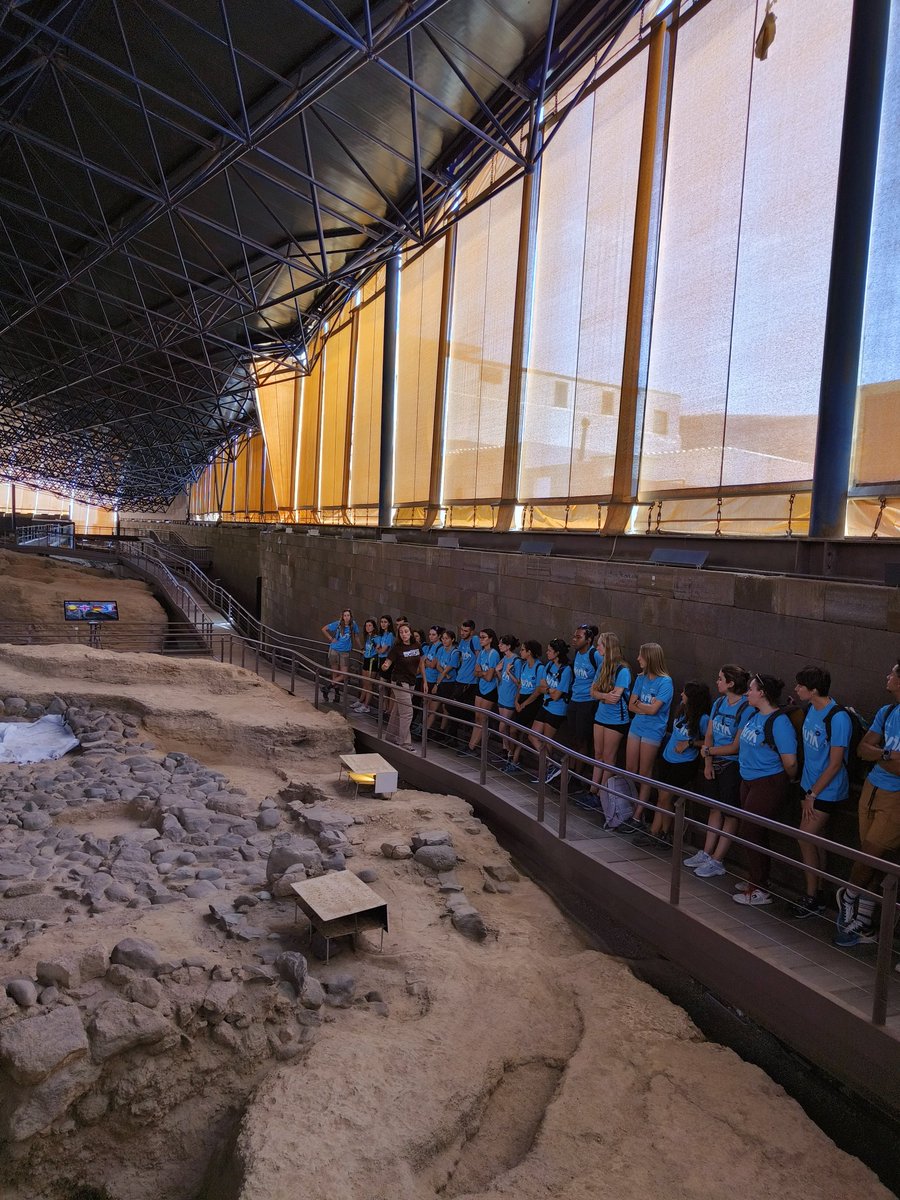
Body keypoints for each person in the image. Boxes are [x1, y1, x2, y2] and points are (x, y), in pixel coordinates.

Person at [834, 656, 900, 947]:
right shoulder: (887, 712)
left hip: (895, 797)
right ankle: (862, 923)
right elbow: (863, 749)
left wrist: (880, 754)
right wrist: (886, 755)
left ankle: (847, 894)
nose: (888, 677)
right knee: (872, 857)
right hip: (872, 788)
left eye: (893, 673)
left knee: (872, 854)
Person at [728, 674, 798, 906]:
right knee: (753, 831)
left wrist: (784, 780)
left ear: (763, 693)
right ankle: (757, 878)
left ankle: (759, 888)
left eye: (751, 689)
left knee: (751, 830)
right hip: (748, 780)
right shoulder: (755, 715)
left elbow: (790, 762)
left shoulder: (779, 723)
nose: (748, 693)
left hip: (767, 782)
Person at [791, 666, 852, 918]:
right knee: (818, 840)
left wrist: (813, 794)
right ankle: (820, 891)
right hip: (809, 784)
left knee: (804, 837)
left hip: (825, 791)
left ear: (814, 689)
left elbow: (836, 762)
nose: (796, 688)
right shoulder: (809, 710)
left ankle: (812, 895)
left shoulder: (837, 718)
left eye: (800, 685)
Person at [687, 665, 752, 876]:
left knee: (730, 813)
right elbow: (709, 733)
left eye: (721, 678)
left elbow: (736, 745)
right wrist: (707, 762)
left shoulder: (746, 708)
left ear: (731, 683)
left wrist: (709, 751)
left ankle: (718, 859)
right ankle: (707, 852)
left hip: (731, 764)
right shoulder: (718, 703)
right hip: (713, 761)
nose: (717, 682)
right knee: (714, 808)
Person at [635, 680, 710, 847]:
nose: (681, 695)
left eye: (684, 693)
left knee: (665, 797)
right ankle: (656, 831)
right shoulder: (682, 711)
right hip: (668, 758)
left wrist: (690, 744)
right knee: (662, 797)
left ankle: (663, 833)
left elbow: (708, 741)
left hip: (683, 764)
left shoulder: (703, 719)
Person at [626, 643, 674, 825]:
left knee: (644, 772)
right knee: (630, 769)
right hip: (637, 726)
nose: (638, 659)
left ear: (650, 658)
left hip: (653, 730)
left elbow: (655, 710)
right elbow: (631, 705)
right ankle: (629, 806)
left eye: (641, 656)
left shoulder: (665, 682)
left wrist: (642, 706)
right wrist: (644, 707)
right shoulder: (641, 678)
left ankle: (638, 814)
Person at [585, 632, 631, 811]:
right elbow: (593, 692)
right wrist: (603, 696)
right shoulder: (603, 665)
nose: (597, 649)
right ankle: (592, 790)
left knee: (609, 758)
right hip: (601, 716)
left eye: (600, 646)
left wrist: (601, 696)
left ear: (608, 648)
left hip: (616, 719)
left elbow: (616, 697)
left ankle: (601, 794)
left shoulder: (623, 670)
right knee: (598, 754)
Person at [528, 638, 573, 785]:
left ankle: (548, 768)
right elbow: (541, 688)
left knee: (548, 741)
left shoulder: (566, 670)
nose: (547, 653)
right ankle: (550, 764)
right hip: (546, 705)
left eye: (550, 651)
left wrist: (547, 689)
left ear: (557, 653)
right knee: (532, 735)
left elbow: (557, 695)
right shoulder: (548, 666)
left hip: (557, 709)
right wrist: (548, 689)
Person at [503, 640, 545, 773]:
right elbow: (520, 685)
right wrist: (516, 701)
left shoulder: (539, 667)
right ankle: (513, 757)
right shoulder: (524, 665)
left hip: (531, 702)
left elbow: (538, 690)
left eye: (522, 650)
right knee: (513, 730)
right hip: (521, 698)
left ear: (529, 652)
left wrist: (524, 704)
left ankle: (515, 760)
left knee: (518, 731)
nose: (520, 652)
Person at [460, 628, 500, 757]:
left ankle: (473, 747)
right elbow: (475, 672)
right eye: (480, 637)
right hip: (481, 687)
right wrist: (483, 673)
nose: (481, 640)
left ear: (490, 639)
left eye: (484, 637)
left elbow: (489, 677)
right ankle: (471, 744)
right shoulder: (482, 652)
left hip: (490, 690)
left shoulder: (493, 654)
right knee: (477, 717)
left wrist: (482, 673)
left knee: (483, 718)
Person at [382, 621, 421, 749]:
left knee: (399, 710)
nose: (404, 634)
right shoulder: (397, 648)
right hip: (399, 680)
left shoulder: (416, 645)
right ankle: (405, 741)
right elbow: (388, 661)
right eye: (401, 632)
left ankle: (390, 735)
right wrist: (385, 666)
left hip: (411, 681)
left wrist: (425, 681)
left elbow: (421, 662)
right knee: (407, 712)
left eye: (406, 632)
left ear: (410, 632)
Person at [569, 624, 601, 769]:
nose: (574, 640)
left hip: (588, 702)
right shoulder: (577, 653)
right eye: (574, 636)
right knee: (573, 738)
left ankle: (578, 774)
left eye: (578, 637)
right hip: (575, 699)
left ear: (588, 640)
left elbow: (603, 675)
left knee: (582, 740)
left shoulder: (594, 655)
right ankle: (569, 770)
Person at [320, 608, 359, 703]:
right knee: (335, 673)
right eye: (345, 615)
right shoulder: (338, 624)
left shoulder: (353, 625)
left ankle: (327, 687)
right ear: (342, 616)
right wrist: (331, 638)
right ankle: (336, 695)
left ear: (351, 616)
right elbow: (324, 629)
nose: (346, 617)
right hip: (334, 650)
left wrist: (361, 648)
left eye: (348, 615)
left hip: (345, 652)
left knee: (344, 674)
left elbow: (356, 636)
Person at [430, 628, 461, 742]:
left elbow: (446, 670)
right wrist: (444, 674)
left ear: (452, 640)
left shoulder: (455, 652)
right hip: (443, 679)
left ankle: (443, 730)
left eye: (446, 639)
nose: (444, 641)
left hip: (449, 683)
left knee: (445, 707)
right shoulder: (441, 649)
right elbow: (438, 665)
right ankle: (428, 729)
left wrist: (437, 684)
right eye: (442, 638)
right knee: (433, 706)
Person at [453, 619, 479, 747]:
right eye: (461, 630)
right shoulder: (462, 641)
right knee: (453, 707)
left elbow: (478, 656)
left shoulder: (474, 640)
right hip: (460, 677)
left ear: (472, 631)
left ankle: (464, 739)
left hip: (470, 681)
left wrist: (476, 672)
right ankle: (455, 737)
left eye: (465, 631)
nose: (462, 633)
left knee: (463, 710)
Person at [496, 635, 522, 763]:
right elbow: (502, 680)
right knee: (504, 728)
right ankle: (505, 749)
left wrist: (508, 672)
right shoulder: (504, 658)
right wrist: (497, 671)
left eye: (502, 644)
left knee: (502, 727)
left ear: (509, 646)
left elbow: (518, 683)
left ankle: (510, 751)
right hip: (502, 695)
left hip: (510, 698)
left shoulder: (516, 660)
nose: (499, 646)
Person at [416, 625, 444, 740]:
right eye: (430, 634)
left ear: (439, 636)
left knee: (432, 708)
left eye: (433, 635)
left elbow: (433, 665)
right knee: (426, 706)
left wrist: (427, 662)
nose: (431, 637)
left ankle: (425, 730)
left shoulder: (440, 647)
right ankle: (422, 727)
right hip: (426, 679)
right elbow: (423, 662)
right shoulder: (430, 646)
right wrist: (427, 662)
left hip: (434, 680)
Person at [351, 617, 379, 713]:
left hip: (372, 660)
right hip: (366, 659)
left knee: (369, 683)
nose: (368, 627)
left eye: (370, 625)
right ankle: (361, 700)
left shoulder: (376, 638)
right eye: (366, 625)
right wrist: (363, 650)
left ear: (374, 627)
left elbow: (378, 649)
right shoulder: (368, 637)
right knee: (364, 682)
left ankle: (366, 705)